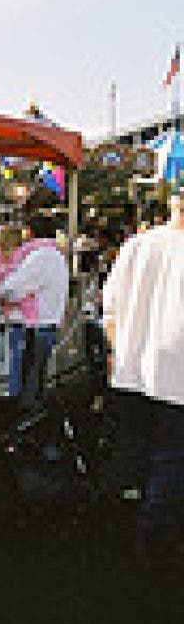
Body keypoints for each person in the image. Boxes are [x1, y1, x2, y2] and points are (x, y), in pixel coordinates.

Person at [103, 184, 184, 555]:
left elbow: (111, 309)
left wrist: (119, 352)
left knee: (137, 450)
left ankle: (130, 524)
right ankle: (152, 539)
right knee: (170, 456)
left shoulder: (138, 245)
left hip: (132, 368)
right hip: (175, 373)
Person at [0, 216, 69, 411]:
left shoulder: (40, 257)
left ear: (30, 233)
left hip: (33, 329)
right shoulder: (56, 256)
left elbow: (13, 289)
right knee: (36, 381)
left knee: (26, 386)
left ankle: (22, 428)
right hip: (46, 326)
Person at [0, 225, 31, 399]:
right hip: (10, 315)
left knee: (17, 356)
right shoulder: (1, 261)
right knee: (16, 356)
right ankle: (16, 392)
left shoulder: (24, 261)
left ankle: (16, 392)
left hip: (19, 315)